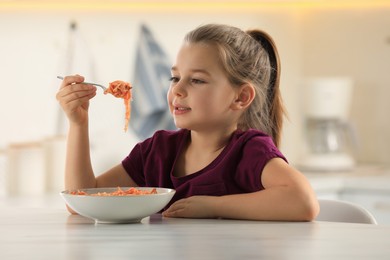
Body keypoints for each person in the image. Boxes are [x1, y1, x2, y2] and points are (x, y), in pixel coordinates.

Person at [56, 23, 319, 221]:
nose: (177, 90)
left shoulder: (249, 151)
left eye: (197, 80)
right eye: (175, 78)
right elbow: (82, 202)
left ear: (241, 97)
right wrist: (78, 124)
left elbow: (303, 202)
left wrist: (213, 206)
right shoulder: (157, 151)